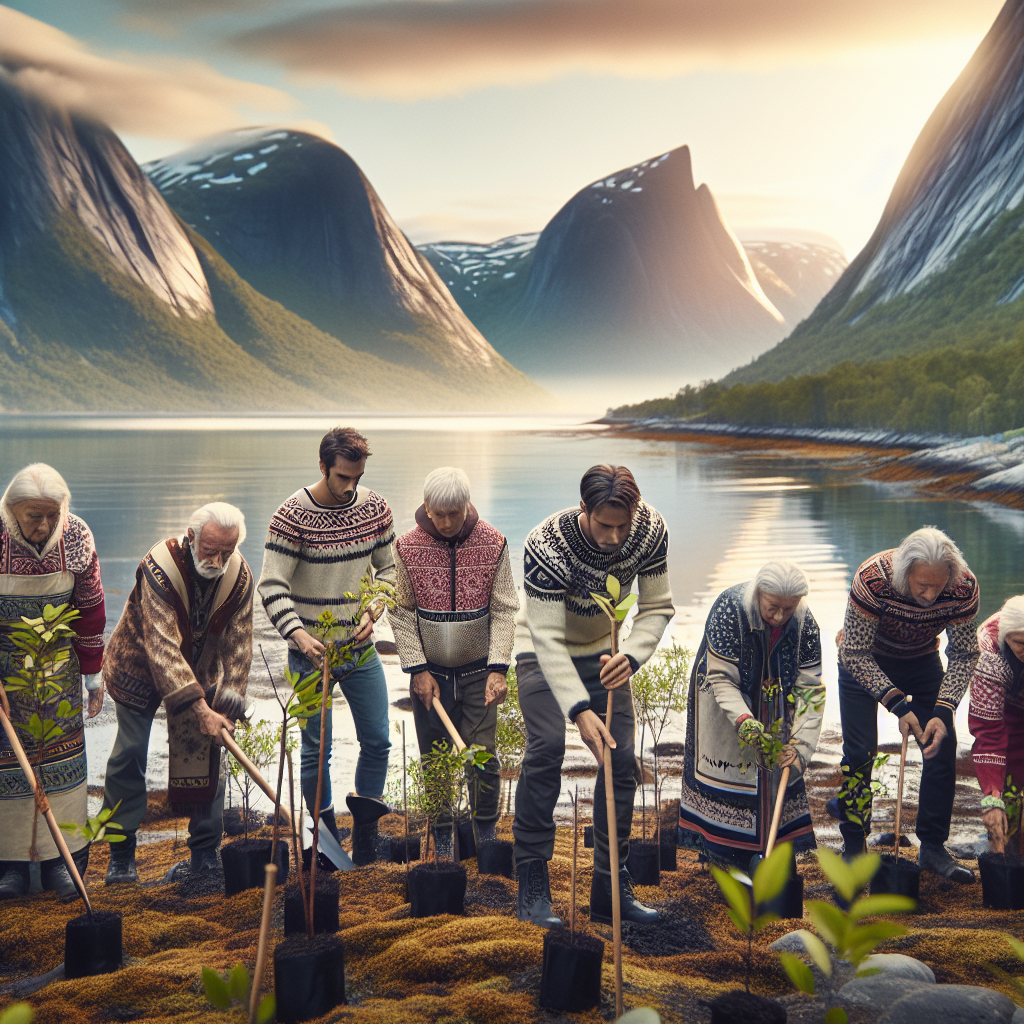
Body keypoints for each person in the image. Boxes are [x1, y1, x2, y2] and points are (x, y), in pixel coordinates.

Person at [512, 464, 674, 928]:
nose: (616, 536)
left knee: (619, 760)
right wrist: (579, 710)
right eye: (606, 524)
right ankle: (532, 882)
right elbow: (545, 637)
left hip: (607, 653)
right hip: (543, 652)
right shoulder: (546, 545)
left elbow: (658, 606)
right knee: (547, 747)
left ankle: (609, 885)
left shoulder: (650, 531)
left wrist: (635, 655)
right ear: (585, 508)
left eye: (623, 525)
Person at [258, 427, 395, 862]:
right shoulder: (291, 515)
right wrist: (297, 633)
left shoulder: (374, 508)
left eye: (357, 477)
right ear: (322, 467)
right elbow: (271, 586)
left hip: (358, 651)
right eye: (342, 478)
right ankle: (325, 841)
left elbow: (391, 573)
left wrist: (373, 613)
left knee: (378, 740)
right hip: (308, 655)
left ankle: (367, 832)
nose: (350, 486)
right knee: (316, 748)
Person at [102, 503, 251, 883]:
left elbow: (239, 646)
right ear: (191, 538)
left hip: (197, 675)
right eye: (210, 551)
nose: (218, 561)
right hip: (138, 665)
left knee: (209, 751)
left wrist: (229, 707)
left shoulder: (240, 578)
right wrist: (200, 708)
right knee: (130, 752)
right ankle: (121, 855)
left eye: (227, 552)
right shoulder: (158, 567)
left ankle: (205, 854)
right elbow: (162, 648)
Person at [830, 526, 980, 881]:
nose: (930, 594)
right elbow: (854, 652)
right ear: (903, 574)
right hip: (865, 660)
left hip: (922, 660)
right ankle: (853, 847)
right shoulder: (872, 580)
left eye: (937, 586)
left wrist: (943, 710)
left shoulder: (962, 588)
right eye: (921, 586)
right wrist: (898, 705)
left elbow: (963, 653)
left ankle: (932, 847)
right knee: (860, 751)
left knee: (941, 745)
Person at [391, 467, 518, 850]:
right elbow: (400, 611)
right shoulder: (406, 547)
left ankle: (485, 833)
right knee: (434, 758)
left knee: (482, 754)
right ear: (426, 508)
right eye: (438, 514)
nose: (446, 523)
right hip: (430, 676)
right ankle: (443, 836)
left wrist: (498, 667)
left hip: (480, 671)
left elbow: (506, 608)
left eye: (455, 513)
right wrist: (417, 669)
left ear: (466, 505)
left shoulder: (493, 542)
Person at [0, 464, 106, 900]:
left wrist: (93, 677)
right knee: (7, 766)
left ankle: (61, 863)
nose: (43, 525)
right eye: (32, 515)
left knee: (63, 765)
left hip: (57, 669)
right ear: (11, 511)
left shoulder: (76, 535)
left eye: (51, 514)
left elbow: (91, 608)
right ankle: (11, 868)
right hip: (8, 674)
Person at [679, 562, 824, 870]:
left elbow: (811, 688)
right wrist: (745, 721)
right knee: (727, 767)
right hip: (722, 696)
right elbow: (721, 678)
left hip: (773, 699)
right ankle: (722, 856)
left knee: (778, 767)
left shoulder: (804, 621)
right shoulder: (729, 608)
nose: (780, 616)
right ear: (759, 594)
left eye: (789, 608)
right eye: (773, 607)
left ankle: (771, 853)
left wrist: (802, 747)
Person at [968, 595, 1024, 854]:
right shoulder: (988, 651)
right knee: (1010, 775)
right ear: (1005, 637)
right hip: (1010, 704)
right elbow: (989, 732)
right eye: (1021, 643)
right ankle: (1005, 844)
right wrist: (992, 798)